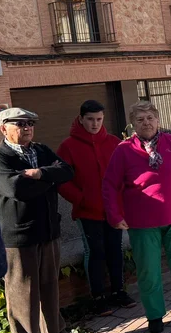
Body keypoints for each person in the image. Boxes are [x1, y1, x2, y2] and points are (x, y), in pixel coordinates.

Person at [0, 107, 83, 333]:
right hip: (18, 237)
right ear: (4, 128)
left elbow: (66, 171)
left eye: (30, 123)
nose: (27, 127)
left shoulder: (40, 151)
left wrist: (40, 174)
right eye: (19, 124)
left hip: (48, 230)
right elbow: (15, 188)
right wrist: (49, 179)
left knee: (50, 286)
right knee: (22, 293)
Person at [103, 101, 171, 333]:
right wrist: (115, 215)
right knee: (148, 271)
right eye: (140, 119)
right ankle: (155, 315)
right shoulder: (123, 150)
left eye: (150, 118)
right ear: (133, 124)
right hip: (142, 222)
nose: (146, 122)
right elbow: (109, 186)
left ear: (157, 120)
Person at [56, 100, 134, 317]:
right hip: (87, 211)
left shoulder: (114, 143)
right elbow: (61, 181)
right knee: (96, 252)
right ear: (81, 119)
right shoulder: (68, 146)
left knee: (115, 251)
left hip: (113, 210)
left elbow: (126, 173)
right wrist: (80, 199)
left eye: (99, 119)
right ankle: (98, 297)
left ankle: (119, 291)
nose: (95, 124)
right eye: (90, 119)